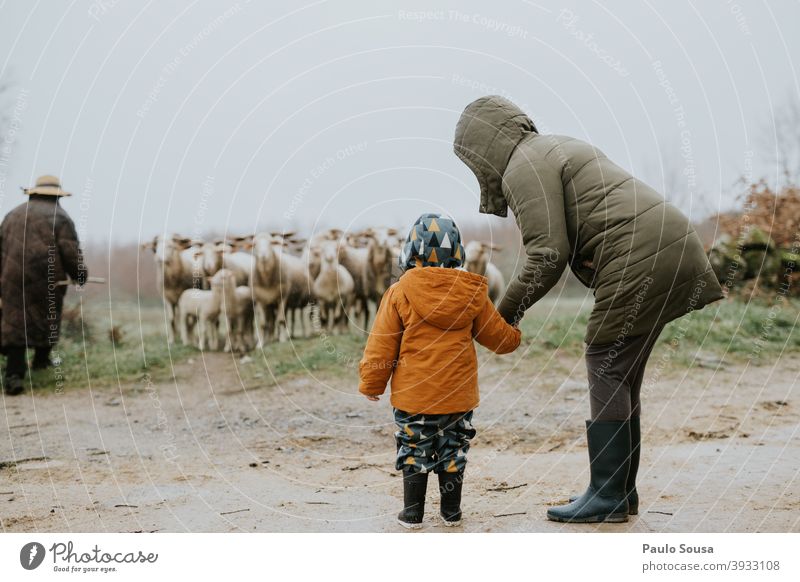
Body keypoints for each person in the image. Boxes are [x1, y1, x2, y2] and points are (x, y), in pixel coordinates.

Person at [453, 96, 724, 523]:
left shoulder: (523, 164)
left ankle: (608, 494)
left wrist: (498, 317)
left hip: (641, 253)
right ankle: (620, 491)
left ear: (485, 146)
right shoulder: (549, 148)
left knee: (607, 361)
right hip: (670, 243)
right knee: (622, 372)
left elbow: (546, 253)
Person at [358, 213, 521, 529]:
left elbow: (381, 346)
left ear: (411, 251)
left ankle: (413, 513)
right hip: (457, 399)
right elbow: (500, 340)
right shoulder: (473, 292)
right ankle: (451, 512)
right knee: (453, 450)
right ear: (458, 251)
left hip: (413, 397)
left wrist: (371, 383)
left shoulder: (399, 292)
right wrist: (514, 330)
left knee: (414, 449)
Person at [1, 175, 87, 396]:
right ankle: (41, 362)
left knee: (15, 320)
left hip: (11, 277)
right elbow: (70, 251)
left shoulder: (13, 214)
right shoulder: (61, 217)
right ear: (57, 196)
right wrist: (80, 274)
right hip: (46, 278)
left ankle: (14, 374)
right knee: (46, 317)